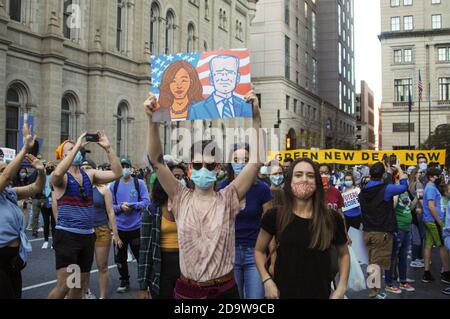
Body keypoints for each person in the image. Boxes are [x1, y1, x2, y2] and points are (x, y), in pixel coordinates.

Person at [145, 89, 262, 299]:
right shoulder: (180, 197)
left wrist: (256, 118)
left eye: (209, 165)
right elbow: (156, 160)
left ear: (217, 167)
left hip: (224, 291)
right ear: (190, 167)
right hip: (186, 291)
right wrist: (153, 120)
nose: (203, 169)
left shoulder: (229, 197)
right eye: (197, 164)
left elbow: (254, 162)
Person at [254, 158, 350, 299]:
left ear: (317, 182)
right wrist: (266, 281)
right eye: (298, 175)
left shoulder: (332, 218)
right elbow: (258, 250)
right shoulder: (274, 215)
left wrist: (341, 289)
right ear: (290, 180)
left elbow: (344, 255)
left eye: (310, 176)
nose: (304, 179)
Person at [48, 131, 122, 299]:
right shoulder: (61, 177)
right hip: (68, 236)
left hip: (87, 236)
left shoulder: (89, 174)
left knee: (78, 287)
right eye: (71, 149)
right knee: (64, 286)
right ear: (63, 155)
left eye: (77, 148)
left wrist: (108, 148)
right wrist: (78, 144)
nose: (78, 150)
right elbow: (57, 175)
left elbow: (117, 173)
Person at [217, 143, 273, 299]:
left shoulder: (262, 189)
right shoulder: (222, 188)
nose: (240, 163)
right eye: (236, 159)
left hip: (255, 254)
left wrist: (273, 260)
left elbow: (269, 227)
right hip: (229, 255)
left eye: (246, 160)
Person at [0, 124, 45, 299]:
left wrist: (40, 172)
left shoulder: (9, 194)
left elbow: (35, 188)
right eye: (2, 169)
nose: (6, 171)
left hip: (14, 258)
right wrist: (25, 147)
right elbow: (6, 177)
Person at [359, 161, 408, 299]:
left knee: (373, 263)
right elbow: (404, 186)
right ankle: (373, 293)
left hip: (368, 231)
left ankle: (375, 291)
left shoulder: (364, 190)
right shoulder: (386, 189)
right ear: (383, 175)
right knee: (376, 265)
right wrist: (399, 169)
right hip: (382, 233)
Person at [83, 160, 122, 299]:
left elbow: (110, 212)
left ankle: (102, 296)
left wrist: (115, 233)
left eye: (88, 168)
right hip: (83, 231)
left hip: (101, 230)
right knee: (82, 267)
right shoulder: (77, 189)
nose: (85, 170)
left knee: (103, 266)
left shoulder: (104, 189)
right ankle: (84, 293)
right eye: (83, 168)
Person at [111, 157, 150, 293]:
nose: (124, 168)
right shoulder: (113, 185)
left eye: (126, 165)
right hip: (119, 229)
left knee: (141, 257)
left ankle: (144, 283)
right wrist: (120, 207)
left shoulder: (139, 183)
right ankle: (124, 281)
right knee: (120, 258)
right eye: (121, 165)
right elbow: (109, 206)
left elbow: (146, 201)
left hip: (136, 228)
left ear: (131, 168)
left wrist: (133, 206)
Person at [138, 177, 181, 299]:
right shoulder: (152, 210)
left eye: (181, 177)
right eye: (175, 177)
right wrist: (142, 287)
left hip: (185, 267)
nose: (178, 181)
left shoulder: (189, 207)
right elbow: (145, 250)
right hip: (161, 266)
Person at [189, 55, 252, 120]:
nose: (224, 78)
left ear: (238, 77)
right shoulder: (196, 109)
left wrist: (255, 108)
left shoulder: (247, 106)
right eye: (219, 73)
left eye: (230, 72)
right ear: (211, 78)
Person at [384, 188, 416, 294]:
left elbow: (410, 208)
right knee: (393, 256)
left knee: (403, 256)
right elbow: (392, 207)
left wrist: (417, 198)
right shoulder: (394, 192)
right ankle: (389, 283)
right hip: (398, 227)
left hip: (407, 228)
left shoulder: (406, 192)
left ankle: (402, 281)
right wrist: (396, 193)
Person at [422, 167, 450, 284]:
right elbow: (431, 206)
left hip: (430, 220)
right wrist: (439, 221)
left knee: (428, 245)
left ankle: (426, 273)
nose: (439, 178)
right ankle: (447, 273)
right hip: (433, 221)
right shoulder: (431, 188)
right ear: (431, 177)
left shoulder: (430, 187)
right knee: (442, 246)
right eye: (437, 176)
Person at [408, 168, 425, 268]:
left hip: (413, 212)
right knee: (419, 236)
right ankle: (416, 258)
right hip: (419, 211)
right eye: (419, 173)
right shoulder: (418, 184)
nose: (421, 174)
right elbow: (421, 198)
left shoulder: (411, 184)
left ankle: (417, 258)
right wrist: (426, 209)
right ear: (415, 174)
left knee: (415, 236)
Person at [41, 162, 56, 249]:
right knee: (46, 222)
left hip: (53, 201)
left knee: (54, 223)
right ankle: (46, 241)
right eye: (48, 166)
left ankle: (54, 241)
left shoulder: (55, 177)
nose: (50, 168)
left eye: (51, 166)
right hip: (44, 201)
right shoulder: (42, 177)